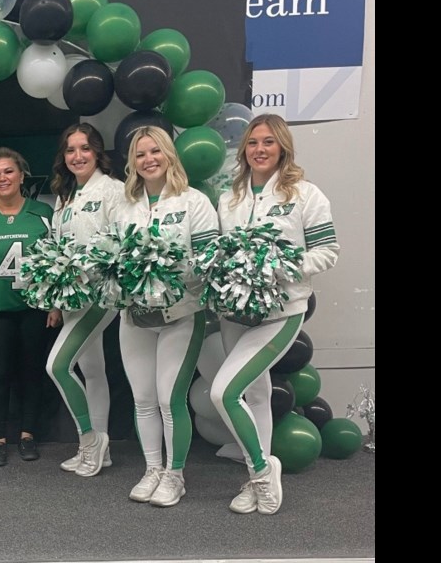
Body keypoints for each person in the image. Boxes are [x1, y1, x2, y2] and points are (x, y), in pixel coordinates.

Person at [209, 113, 339, 515]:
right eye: (252, 143)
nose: (259, 150)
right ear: (243, 149)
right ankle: (254, 477)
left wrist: (278, 265)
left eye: (268, 142)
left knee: (223, 392)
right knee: (255, 394)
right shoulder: (229, 199)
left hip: (282, 311)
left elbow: (327, 252)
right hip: (236, 312)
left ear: (283, 147)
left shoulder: (305, 195)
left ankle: (264, 471)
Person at [115, 126, 219, 506]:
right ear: (132, 162)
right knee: (142, 398)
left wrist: (168, 269)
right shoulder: (125, 205)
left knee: (167, 398)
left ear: (170, 154)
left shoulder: (194, 202)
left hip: (181, 314)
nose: (149, 160)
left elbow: (210, 262)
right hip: (135, 318)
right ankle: (152, 469)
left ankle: (175, 475)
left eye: (155, 151)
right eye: (140, 154)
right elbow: (113, 257)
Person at [0, 147, 60, 466]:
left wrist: (55, 302)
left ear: (22, 175)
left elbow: (56, 262)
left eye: (8, 171)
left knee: (31, 372)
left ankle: (28, 434)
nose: (2, 178)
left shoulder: (42, 214)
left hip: (34, 308)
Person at [45, 123, 125, 477]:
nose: (77, 156)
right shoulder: (64, 198)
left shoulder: (113, 191)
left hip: (100, 296)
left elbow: (123, 243)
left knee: (57, 366)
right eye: (70, 150)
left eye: (84, 149)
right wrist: (57, 297)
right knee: (93, 372)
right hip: (73, 298)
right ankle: (98, 451)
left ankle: (91, 439)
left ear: (97, 152)